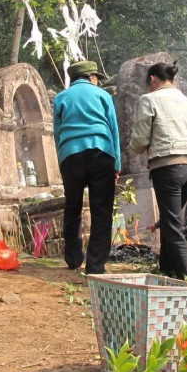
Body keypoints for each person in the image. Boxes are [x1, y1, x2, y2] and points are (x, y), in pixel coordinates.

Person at [130, 62, 187, 279]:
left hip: (168, 166)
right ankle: (167, 269)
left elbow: (140, 140)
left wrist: (134, 148)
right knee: (171, 218)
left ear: (153, 78)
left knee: (172, 225)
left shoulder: (149, 99)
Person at [52, 60, 121, 275]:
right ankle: (95, 265)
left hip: (70, 155)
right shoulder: (103, 96)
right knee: (102, 209)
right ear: (91, 77)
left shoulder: (61, 98)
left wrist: (62, 161)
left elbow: (57, 133)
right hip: (102, 151)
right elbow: (113, 129)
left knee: (72, 206)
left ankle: (73, 258)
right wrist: (117, 164)